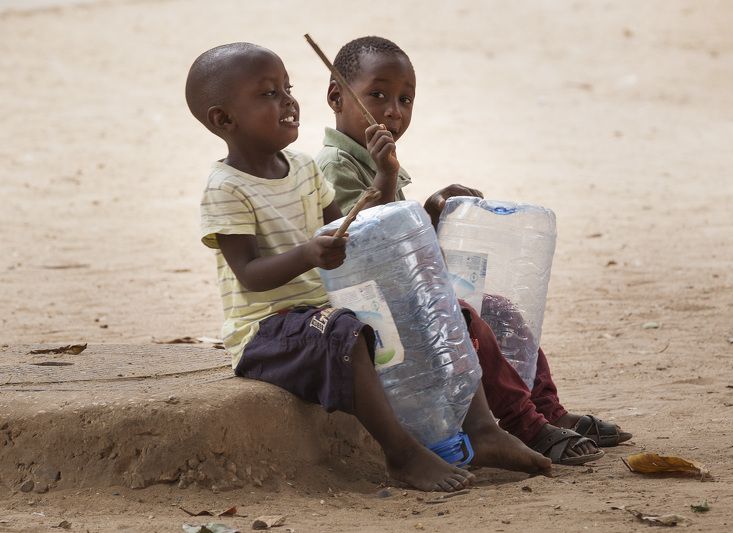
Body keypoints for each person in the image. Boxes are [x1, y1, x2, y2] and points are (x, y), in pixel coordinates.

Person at [187, 42, 551, 492]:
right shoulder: (226, 187)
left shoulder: (302, 168)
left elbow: (349, 230)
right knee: (345, 332)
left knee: (438, 309)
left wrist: (384, 179)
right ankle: (401, 455)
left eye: (287, 88)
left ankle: (481, 428)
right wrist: (306, 254)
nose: (287, 101)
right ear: (224, 120)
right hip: (268, 329)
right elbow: (248, 274)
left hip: (325, 310)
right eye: (268, 94)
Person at [316, 36, 632, 465]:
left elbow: (402, 241)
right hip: (372, 310)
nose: (393, 110)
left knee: (498, 309)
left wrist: (432, 211)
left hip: (396, 297)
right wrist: (388, 180)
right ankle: (526, 425)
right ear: (337, 95)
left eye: (406, 99)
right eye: (377, 95)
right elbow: (372, 248)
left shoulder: (376, 158)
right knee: (465, 320)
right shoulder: (333, 166)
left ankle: (546, 408)